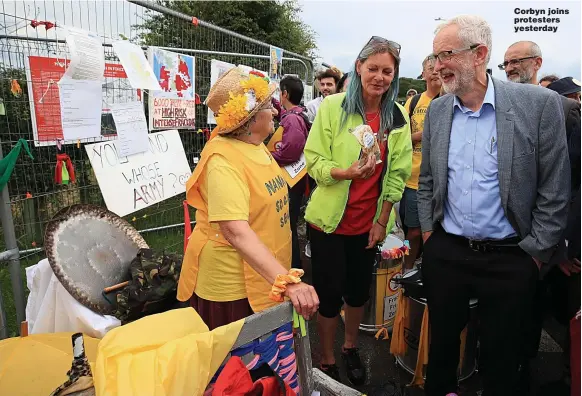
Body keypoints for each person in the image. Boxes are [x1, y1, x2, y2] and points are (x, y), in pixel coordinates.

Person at [417, 15, 570, 396]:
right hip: (447, 251)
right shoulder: (438, 110)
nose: (437, 67)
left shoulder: (539, 104)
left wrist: (533, 255)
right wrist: (429, 235)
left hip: (510, 258)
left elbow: (556, 187)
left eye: (445, 54)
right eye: (435, 57)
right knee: (442, 348)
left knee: (502, 356)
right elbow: (428, 181)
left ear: (479, 54)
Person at [304, 36, 412, 385]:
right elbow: (314, 161)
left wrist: (382, 221)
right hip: (328, 224)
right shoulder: (333, 108)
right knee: (329, 294)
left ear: (394, 76)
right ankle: (327, 356)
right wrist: (345, 172)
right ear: (359, 67)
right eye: (373, 69)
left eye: (387, 71)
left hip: (368, 225)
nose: (380, 77)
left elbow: (397, 173)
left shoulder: (396, 116)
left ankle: (350, 347)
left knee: (356, 292)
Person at [177, 67, 319, 330]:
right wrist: (286, 281)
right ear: (250, 120)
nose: (276, 111)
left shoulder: (255, 146)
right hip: (232, 292)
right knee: (237, 369)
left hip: (260, 278)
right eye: (268, 106)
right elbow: (235, 230)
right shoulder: (222, 160)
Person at [503, 40, 582, 393]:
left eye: (515, 62)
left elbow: (572, 183)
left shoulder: (565, 110)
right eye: (505, 64)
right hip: (504, 236)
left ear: (537, 62)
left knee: (540, 310)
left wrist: (563, 247)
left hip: (547, 244)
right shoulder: (498, 107)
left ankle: (529, 369)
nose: (509, 69)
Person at [400, 55, 441, 271]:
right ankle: (406, 267)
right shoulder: (413, 102)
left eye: (438, 67)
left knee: (437, 231)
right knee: (412, 231)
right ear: (423, 73)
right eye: (430, 68)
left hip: (442, 181)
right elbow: (400, 136)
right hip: (414, 180)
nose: (435, 71)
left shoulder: (452, 100)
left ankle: (430, 267)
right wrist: (424, 135)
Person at [271, 76, 310, 270]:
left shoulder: (293, 119)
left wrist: (268, 156)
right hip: (295, 179)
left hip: (291, 181)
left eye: (280, 92)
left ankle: (292, 265)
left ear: (285, 93)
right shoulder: (295, 114)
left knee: (288, 224)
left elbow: (291, 151)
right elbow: (281, 113)